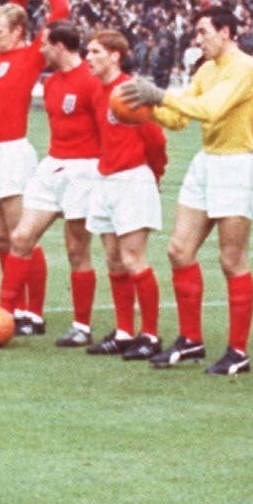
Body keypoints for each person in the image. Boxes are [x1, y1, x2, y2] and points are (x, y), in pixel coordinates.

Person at [115, 6, 253, 375]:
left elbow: (211, 110)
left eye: (203, 32)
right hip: (207, 161)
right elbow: (180, 119)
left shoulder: (245, 67)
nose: (197, 40)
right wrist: (145, 107)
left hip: (237, 162)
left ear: (226, 31)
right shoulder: (206, 69)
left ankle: (238, 351)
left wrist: (160, 95)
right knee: (179, 250)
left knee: (232, 260)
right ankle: (191, 339)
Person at [0, 0, 71, 331]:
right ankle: (10, 306)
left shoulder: (30, 55)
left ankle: (34, 311)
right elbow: (14, 8)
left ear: (18, 33)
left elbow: (60, 11)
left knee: (22, 236)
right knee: (1, 236)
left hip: (12, 153)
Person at [0, 22, 104, 342]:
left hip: (84, 169)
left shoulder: (91, 81)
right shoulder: (51, 83)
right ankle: (4, 314)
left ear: (59, 46)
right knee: (21, 237)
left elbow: (104, 131)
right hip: (53, 166)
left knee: (76, 250)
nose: (39, 50)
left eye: (44, 45)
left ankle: (82, 327)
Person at [82, 28, 168, 359]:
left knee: (133, 258)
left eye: (95, 52)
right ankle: (123, 332)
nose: (88, 58)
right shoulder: (97, 92)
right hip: (105, 180)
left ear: (115, 55)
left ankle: (149, 335)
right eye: (88, 52)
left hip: (132, 179)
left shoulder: (130, 91)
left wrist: (155, 175)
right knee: (114, 260)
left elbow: (156, 140)